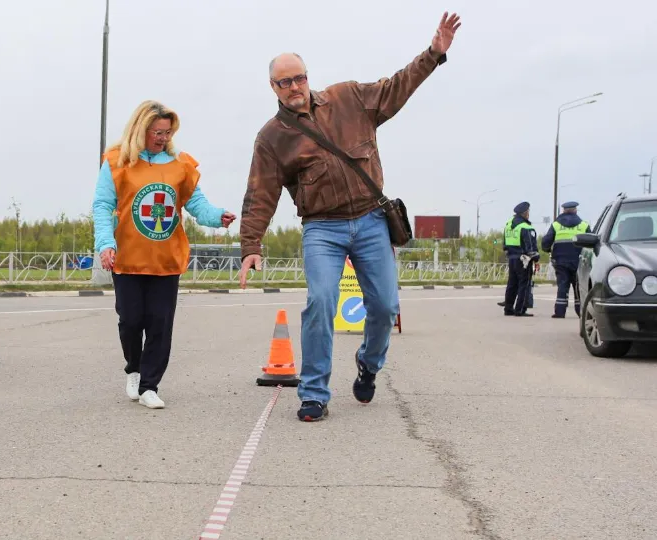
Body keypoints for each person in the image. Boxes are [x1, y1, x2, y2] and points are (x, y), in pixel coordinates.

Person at [237, 12, 461, 422]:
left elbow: (397, 87)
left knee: (385, 307)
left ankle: (369, 363)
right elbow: (260, 193)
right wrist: (251, 244)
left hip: (372, 221)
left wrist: (434, 54)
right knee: (321, 301)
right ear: (273, 87)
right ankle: (314, 393)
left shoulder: (349, 99)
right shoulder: (272, 137)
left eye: (298, 78)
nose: (293, 87)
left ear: (308, 77)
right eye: (284, 82)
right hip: (322, 228)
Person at [92, 100, 236, 409]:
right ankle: (133, 367)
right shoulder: (117, 162)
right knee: (130, 321)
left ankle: (149, 386)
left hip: (166, 259)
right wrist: (106, 244)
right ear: (140, 130)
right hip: (128, 258)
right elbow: (103, 205)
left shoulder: (180, 164)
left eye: (168, 132)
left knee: (160, 323)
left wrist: (217, 216)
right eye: (157, 132)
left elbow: (196, 204)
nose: (163, 138)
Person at [541, 201, 589, 318]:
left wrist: (548, 250)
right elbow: (591, 243)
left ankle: (560, 312)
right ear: (575, 210)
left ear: (563, 211)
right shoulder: (583, 225)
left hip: (560, 261)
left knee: (563, 285)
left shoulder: (556, 225)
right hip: (578, 261)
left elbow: (546, 242)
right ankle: (581, 312)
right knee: (578, 287)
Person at [502, 201, 540, 317]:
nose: (528, 214)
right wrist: (536, 258)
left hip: (512, 258)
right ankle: (520, 309)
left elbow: (504, 244)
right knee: (524, 284)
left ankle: (508, 308)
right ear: (525, 213)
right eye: (528, 212)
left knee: (512, 284)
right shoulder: (526, 227)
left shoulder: (508, 225)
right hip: (524, 259)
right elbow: (530, 247)